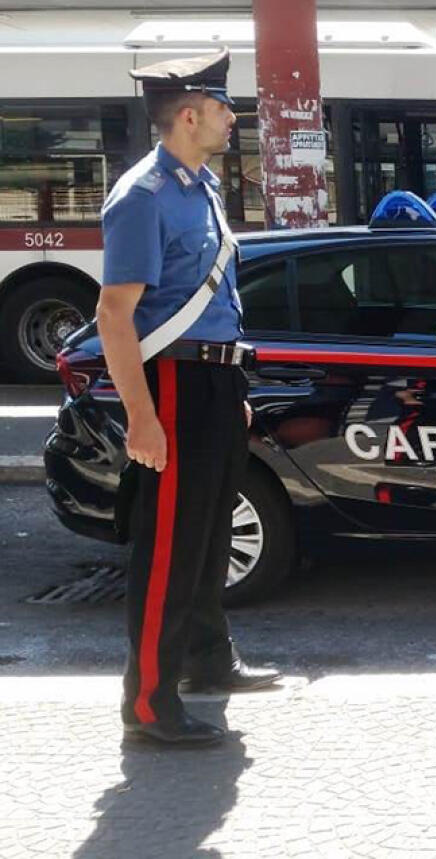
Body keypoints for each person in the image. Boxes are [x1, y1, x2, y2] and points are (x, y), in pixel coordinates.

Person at [97, 49, 280, 747]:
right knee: (170, 546)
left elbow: (213, 298)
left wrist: (229, 388)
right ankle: (148, 703)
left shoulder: (199, 187)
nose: (233, 119)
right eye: (224, 107)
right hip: (172, 383)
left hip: (212, 381)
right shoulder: (142, 196)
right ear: (188, 114)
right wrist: (141, 417)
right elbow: (115, 314)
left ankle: (208, 660)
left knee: (207, 535)